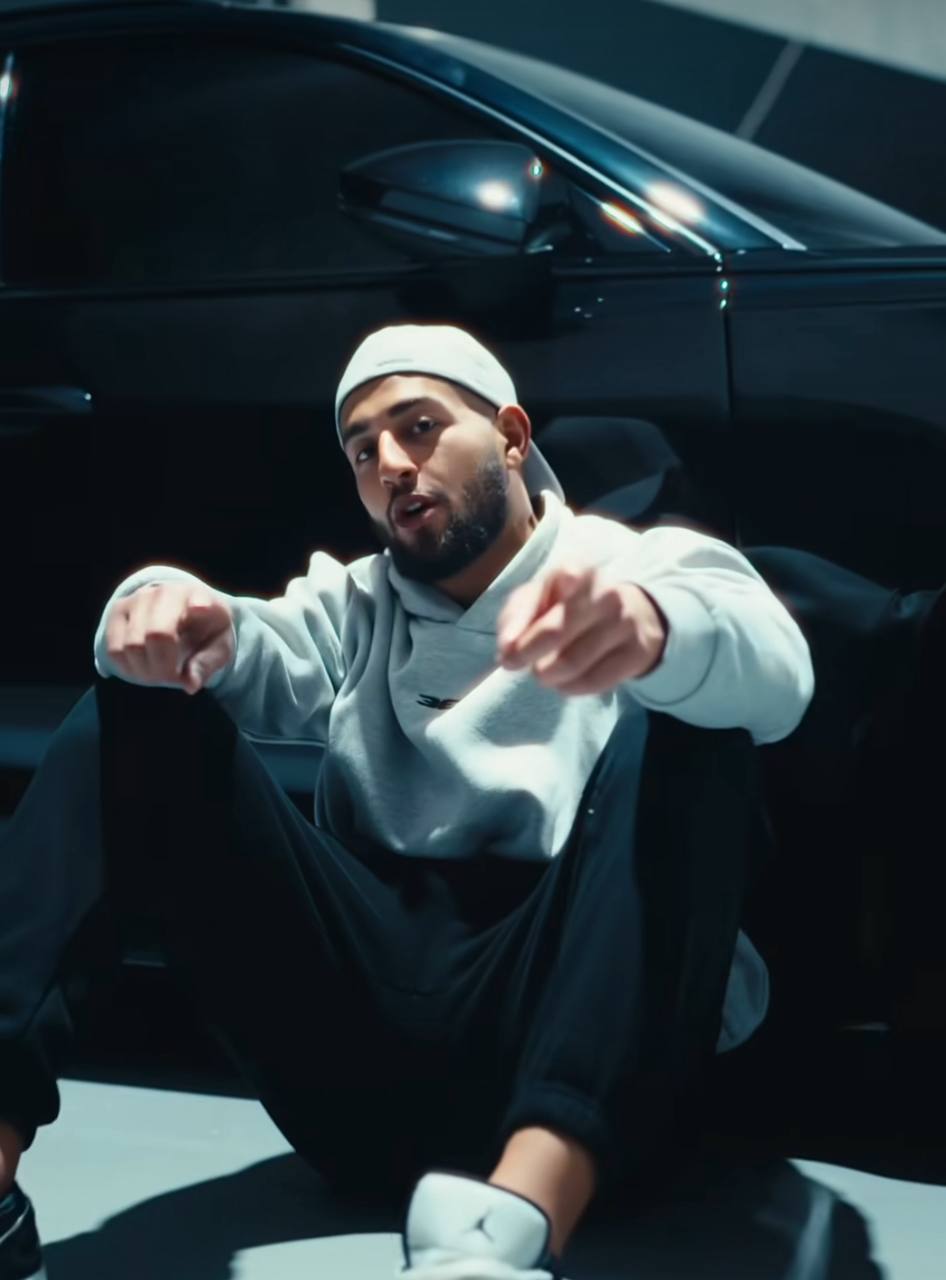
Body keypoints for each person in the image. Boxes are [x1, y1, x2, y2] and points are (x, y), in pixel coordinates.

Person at [0, 325, 813, 1280]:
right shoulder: (357, 604)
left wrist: (656, 633)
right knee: (128, 716)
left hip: (585, 1048)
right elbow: (249, 637)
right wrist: (164, 604)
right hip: (363, 1071)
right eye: (361, 451)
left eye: (419, 426)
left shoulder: (632, 569)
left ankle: (511, 1224)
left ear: (512, 435)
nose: (390, 464)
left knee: (693, 721)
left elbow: (778, 677)